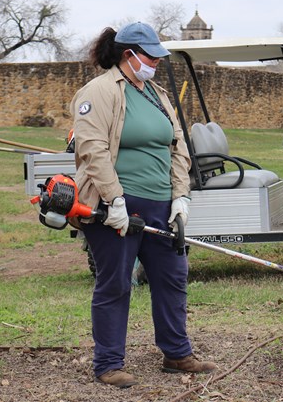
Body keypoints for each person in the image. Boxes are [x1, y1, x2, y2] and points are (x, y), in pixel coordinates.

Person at [70, 22, 216, 389]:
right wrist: (114, 199)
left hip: (161, 205)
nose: (156, 61)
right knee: (116, 283)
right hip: (115, 207)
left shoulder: (156, 93)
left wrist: (180, 196)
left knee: (172, 277)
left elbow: (177, 145)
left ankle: (177, 353)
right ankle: (108, 364)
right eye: (150, 55)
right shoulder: (100, 91)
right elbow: (92, 149)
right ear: (128, 55)